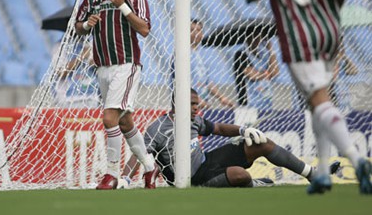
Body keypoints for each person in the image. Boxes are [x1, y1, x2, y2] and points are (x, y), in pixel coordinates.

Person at [242, 0, 371, 194]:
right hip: (328, 30)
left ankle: (355, 158)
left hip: (297, 36)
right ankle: (323, 172)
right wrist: (331, 9)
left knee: (319, 101)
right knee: (318, 102)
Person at [120, 88, 340, 188]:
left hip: (206, 162)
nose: (197, 108)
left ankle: (311, 173)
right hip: (191, 179)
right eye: (193, 104)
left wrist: (243, 131)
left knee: (260, 143)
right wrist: (126, 179)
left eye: (197, 104)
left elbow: (219, 129)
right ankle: (253, 183)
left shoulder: (194, 120)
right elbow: (139, 153)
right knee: (240, 175)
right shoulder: (158, 128)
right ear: (177, 104)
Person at [75, 0, 158, 189]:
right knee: (125, 122)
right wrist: (87, 25)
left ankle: (111, 174)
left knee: (109, 118)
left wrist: (121, 5)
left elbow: (144, 29)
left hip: (126, 66)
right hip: (102, 69)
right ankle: (151, 168)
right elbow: (77, 27)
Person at [177, 19, 235, 109]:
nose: (196, 33)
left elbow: (207, 82)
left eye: (199, 30)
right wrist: (196, 100)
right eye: (192, 30)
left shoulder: (202, 55)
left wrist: (221, 98)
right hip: (187, 105)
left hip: (202, 102)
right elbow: (180, 82)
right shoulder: (182, 54)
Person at [234, 35, 280, 109]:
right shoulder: (241, 54)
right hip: (248, 104)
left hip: (266, 103)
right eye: (254, 36)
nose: (257, 39)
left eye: (259, 36)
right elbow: (252, 75)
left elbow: (275, 72)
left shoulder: (263, 54)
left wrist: (271, 50)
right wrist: (267, 73)